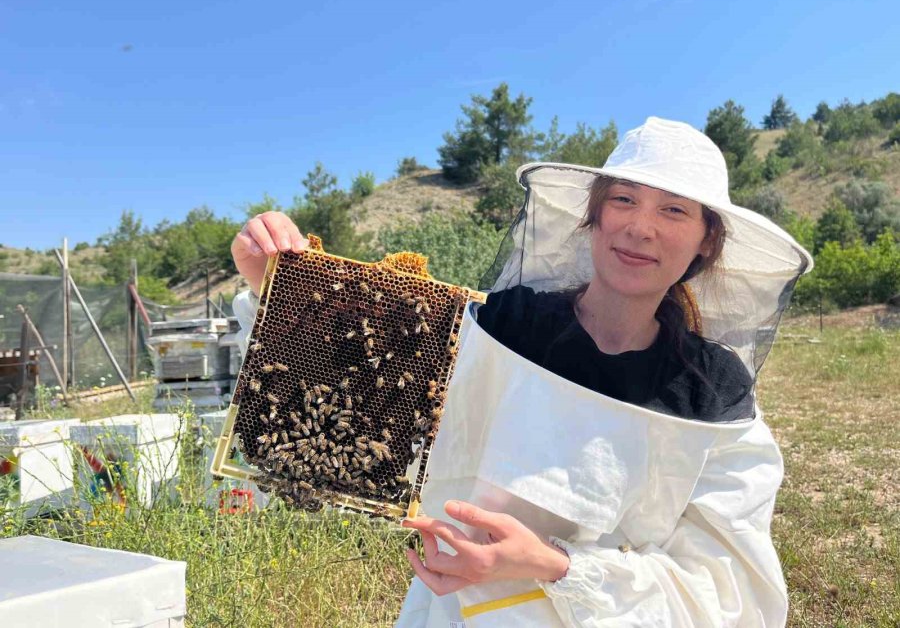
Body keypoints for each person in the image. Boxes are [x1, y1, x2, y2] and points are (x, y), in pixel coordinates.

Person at [231, 117, 812, 627]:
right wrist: (276, 284)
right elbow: (358, 382)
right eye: (625, 200)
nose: (642, 228)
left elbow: (734, 596)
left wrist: (554, 566)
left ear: (705, 241)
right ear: (594, 217)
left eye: (674, 210)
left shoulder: (716, 397)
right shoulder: (502, 327)